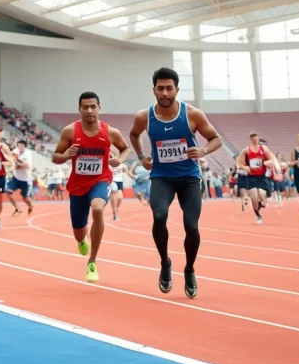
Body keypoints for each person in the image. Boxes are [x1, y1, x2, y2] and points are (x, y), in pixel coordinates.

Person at [128, 67, 221, 299]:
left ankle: (189, 269)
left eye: (169, 88)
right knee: (159, 216)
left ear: (177, 90)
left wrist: (202, 150)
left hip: (189, 177)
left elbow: (215, 139)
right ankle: (165, 263)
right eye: (160, 88)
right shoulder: (144, 117)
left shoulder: (192, 114)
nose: (165, 92)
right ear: (154, 91)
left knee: (191, 226)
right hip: (162, 176)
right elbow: (133, 134)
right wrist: (141, 157)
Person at [52, 91, 129, 283]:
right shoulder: (70, 131)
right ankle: (81, 240)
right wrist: (67, 155)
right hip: (77, 185)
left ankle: (92, 262)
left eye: (93, 106)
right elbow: (55, 157)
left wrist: (119, 159)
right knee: (79, 232)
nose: (89, 110)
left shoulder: (109, 132)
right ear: (79, 110)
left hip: (100, 180)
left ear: (99, 108)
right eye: (85, 107)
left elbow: (125, 148)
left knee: (97, 208)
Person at [240, 134, 280, 225]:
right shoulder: (247, 151)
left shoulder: (265, 151)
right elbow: (241, 162)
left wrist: (265, 163)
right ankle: (258, 215)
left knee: (261, 195)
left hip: (262, 177)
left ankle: (261, 203)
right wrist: (245, 167)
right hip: (251, 177)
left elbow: (272, 161)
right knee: (254, 197)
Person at [5, 139, 35, 216]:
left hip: (26, 180)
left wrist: (17, 161)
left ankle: (30, 206)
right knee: (8, 191)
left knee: (25, 198)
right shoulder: (16, 151)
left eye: (22, 146)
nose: (20, 148)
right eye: (18, 146)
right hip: (16, 178)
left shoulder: (28, 154)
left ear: (25, 147)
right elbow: (11, 158)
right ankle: (17, 208)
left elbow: (26, 165)